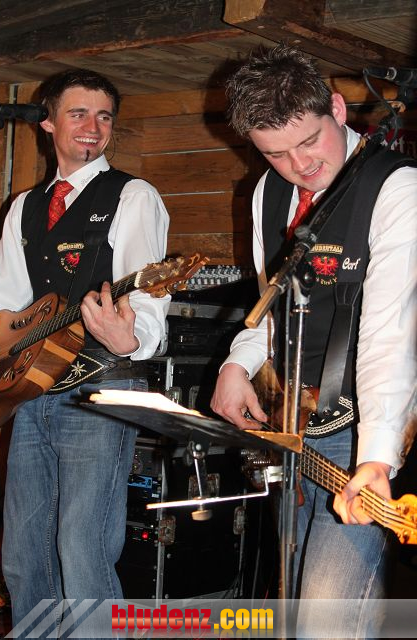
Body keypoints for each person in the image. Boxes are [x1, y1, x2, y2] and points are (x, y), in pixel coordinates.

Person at [0, 69, 170, 636]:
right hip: (32, 388)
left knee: (83, 551)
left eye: (104, 116)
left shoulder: (133, 196)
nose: (93, 126)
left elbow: (146, 299)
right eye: (78, 113)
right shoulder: (25, 205)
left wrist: (130, 337)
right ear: (47, 123)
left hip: (102, 388)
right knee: (24, 555)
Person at [211, 44, 417, 636]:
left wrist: (375, 457)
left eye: (309, 141)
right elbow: (271, 303)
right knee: (293, 608)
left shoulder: (397, 187)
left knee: (326, 624)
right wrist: (237, 365)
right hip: (295, 422)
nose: (299, 165)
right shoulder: (266, 193)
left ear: (337, 108)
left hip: (367, 425)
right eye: (275, 153)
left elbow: (390, 331)